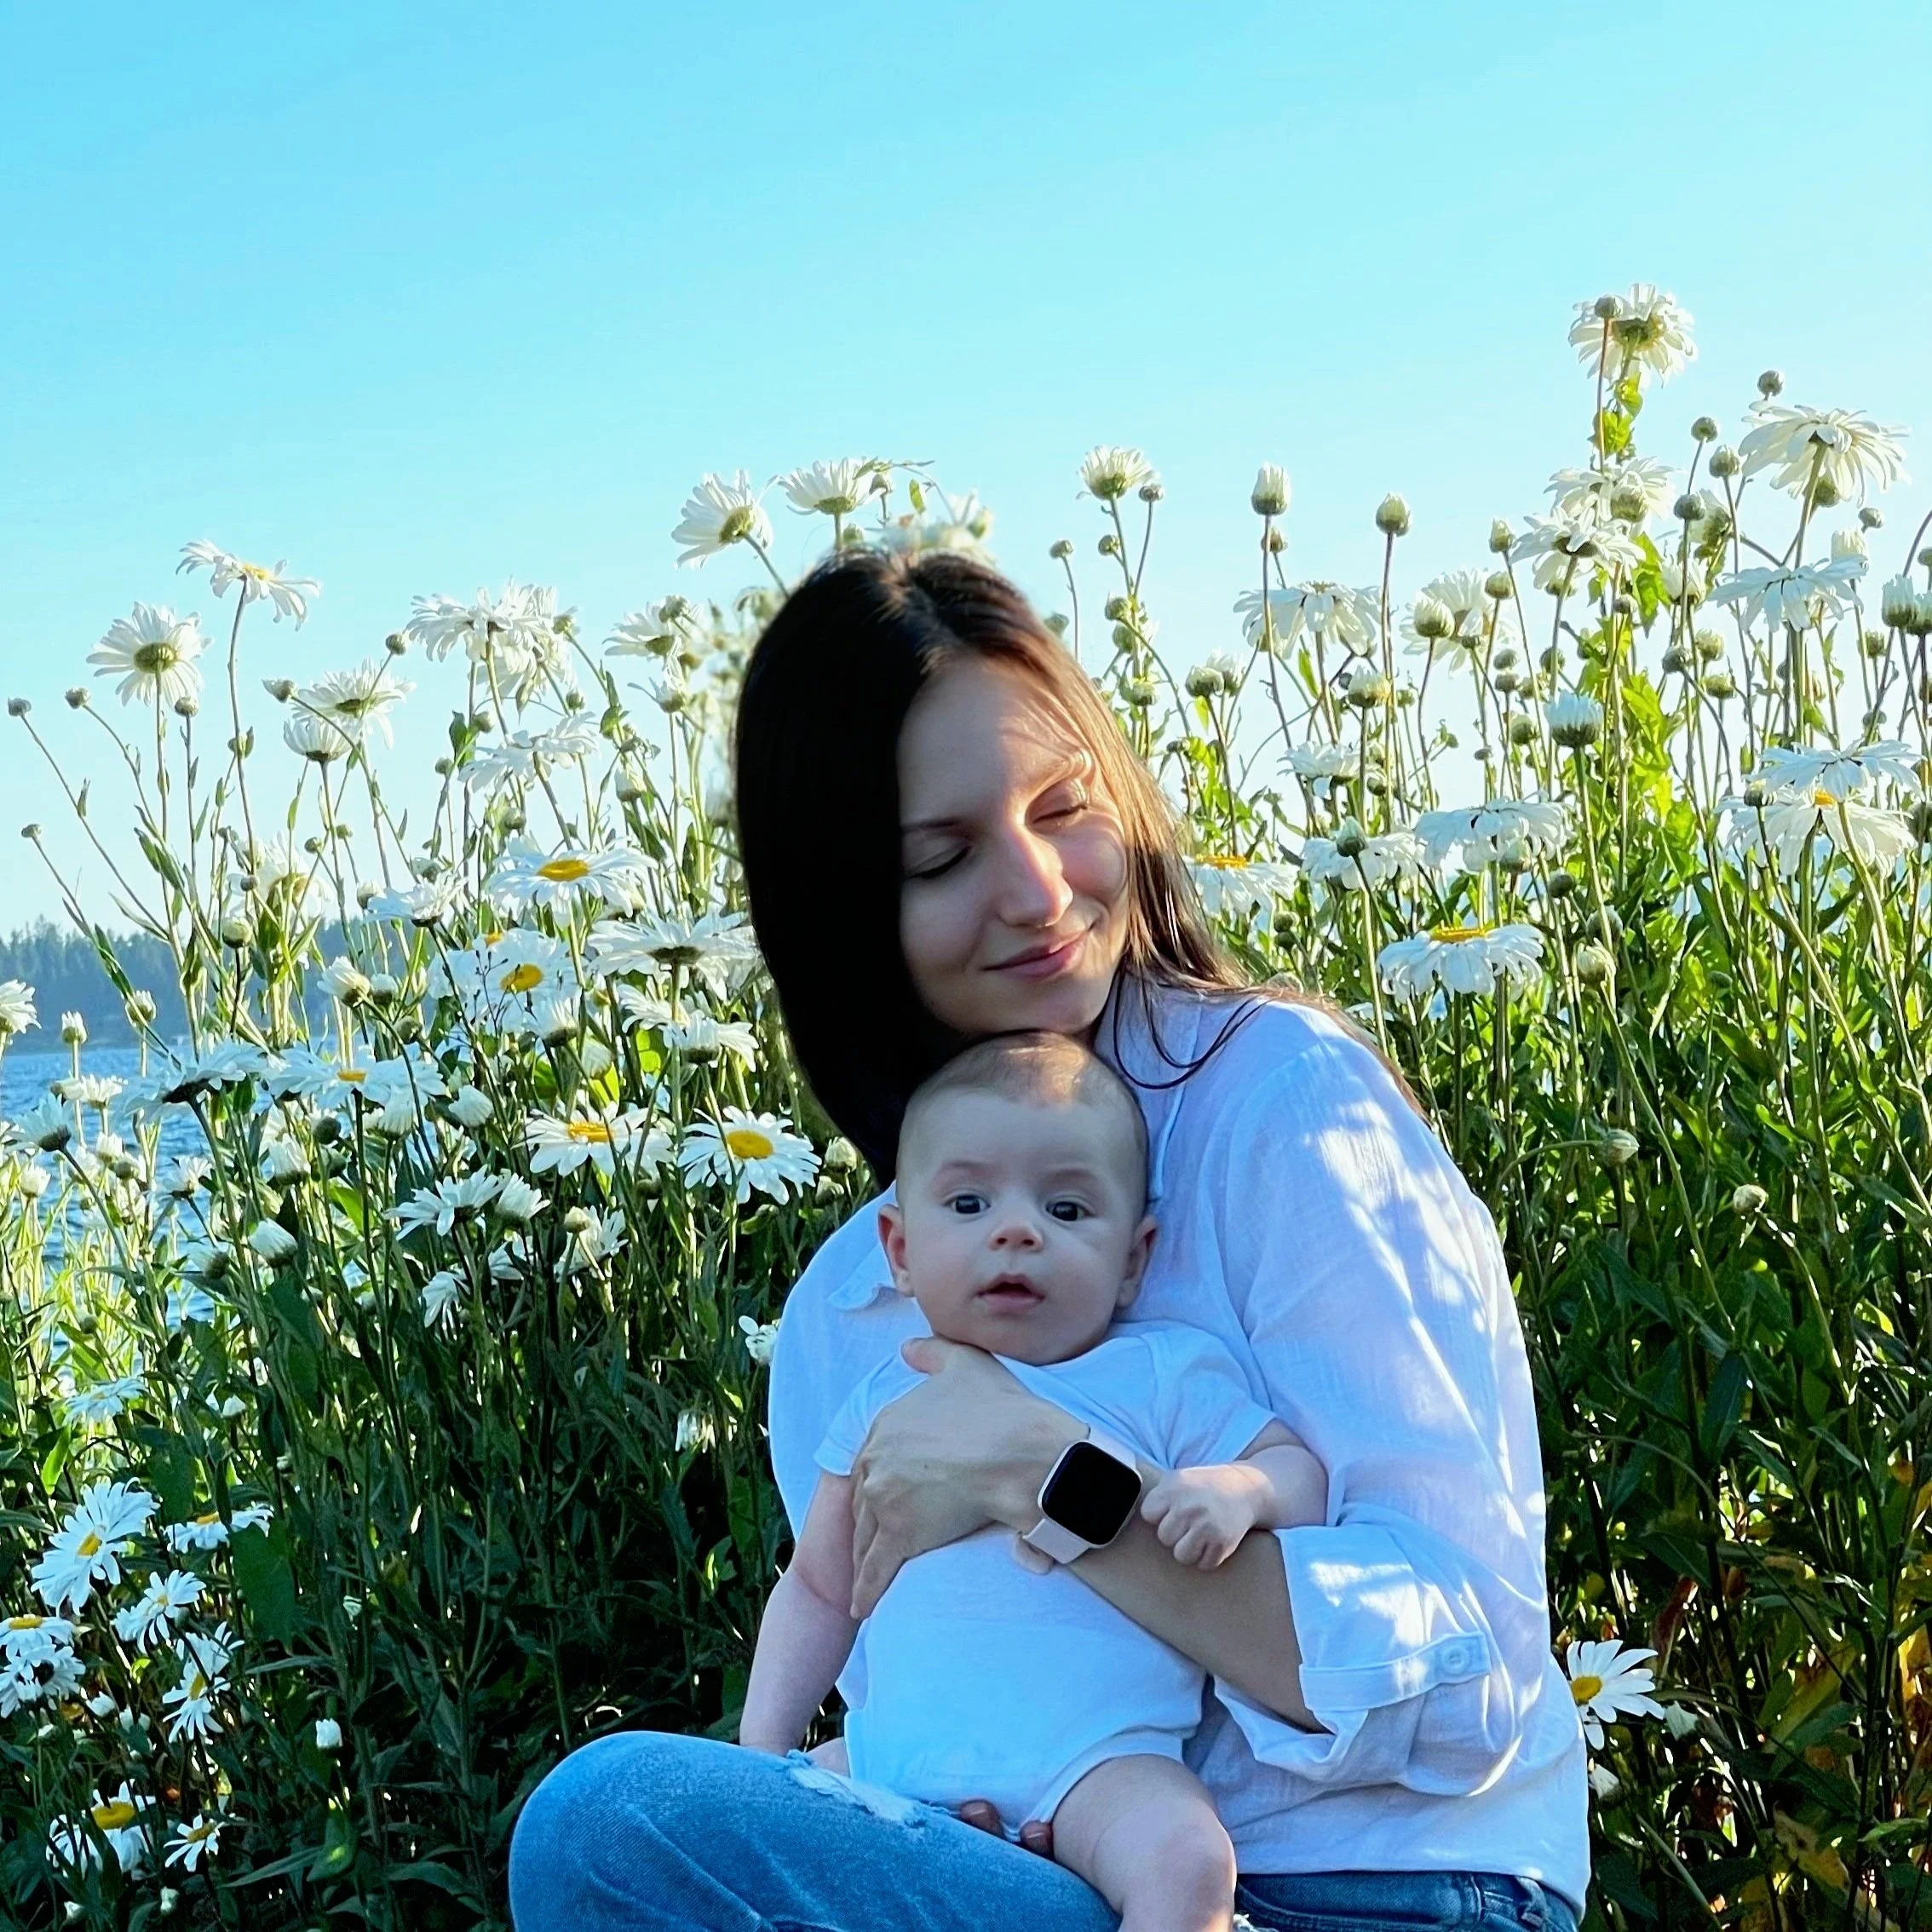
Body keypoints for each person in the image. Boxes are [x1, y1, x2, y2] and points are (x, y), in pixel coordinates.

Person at [509, 547, 1589, 1932]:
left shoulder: (1278, 1101)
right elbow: (896, 1650)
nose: (1035, 889)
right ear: (846, 911)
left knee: (606, 1824)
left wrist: (1052, 1481)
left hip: (1387, 1889)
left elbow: (1477, 1680)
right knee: (648, 1824)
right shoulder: (856, 1300)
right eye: (941, 856)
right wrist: (929, 1790)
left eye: (1062, 804)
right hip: (1054, 1879)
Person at [740, 1031, 1328, 1932]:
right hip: (893, 1760)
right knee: (721, 1829)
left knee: (1189, 1860)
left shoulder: (1162, 1374)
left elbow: (1299, 1472)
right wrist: (762, 1751)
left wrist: (1236, 1493)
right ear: (899, 1247)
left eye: (1066, 1209)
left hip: (1094, 1767)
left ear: (1135, 1257)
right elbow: (821, 1585)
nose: (1016, 1230)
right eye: (969, 1202)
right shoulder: (887, 1395)